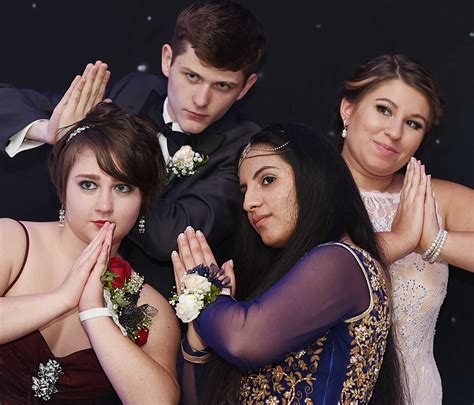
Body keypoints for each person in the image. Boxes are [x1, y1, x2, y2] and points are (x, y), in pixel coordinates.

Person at [0, 0, 265, 298]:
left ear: (245, 87)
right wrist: (50, 131)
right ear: (167, 59)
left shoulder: (245, 146)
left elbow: (171, 236)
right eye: (192, 76)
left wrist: (109, 163)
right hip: (57, 271)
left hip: (146, 300)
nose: (201, 100)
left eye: (222, 86)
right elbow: (10, 101)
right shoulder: (136, 91)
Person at [171, 124, 406, 404]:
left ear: (313, 177)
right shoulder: (282, 277)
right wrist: (197, 338)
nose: (248, 203)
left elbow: (244, 340)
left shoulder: (340, 261)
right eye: (244, 190)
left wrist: (205, 296)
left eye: (268, 180)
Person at [0, 102, 180, 403]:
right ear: (63, 188)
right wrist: (62, 299)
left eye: (123, 188)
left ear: (143, 200)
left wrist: (94, 312)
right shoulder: (11, 240)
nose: (104, 206)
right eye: (88, 184)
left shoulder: (150, 307)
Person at [335, 54, 474, 404]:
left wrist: (434, 242)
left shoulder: (434, 198)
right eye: (384, 109)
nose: (395, 132)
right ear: (348, 110)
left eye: (413, 123)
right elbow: (319, 274)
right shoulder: (300, 186)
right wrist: (402, 240)